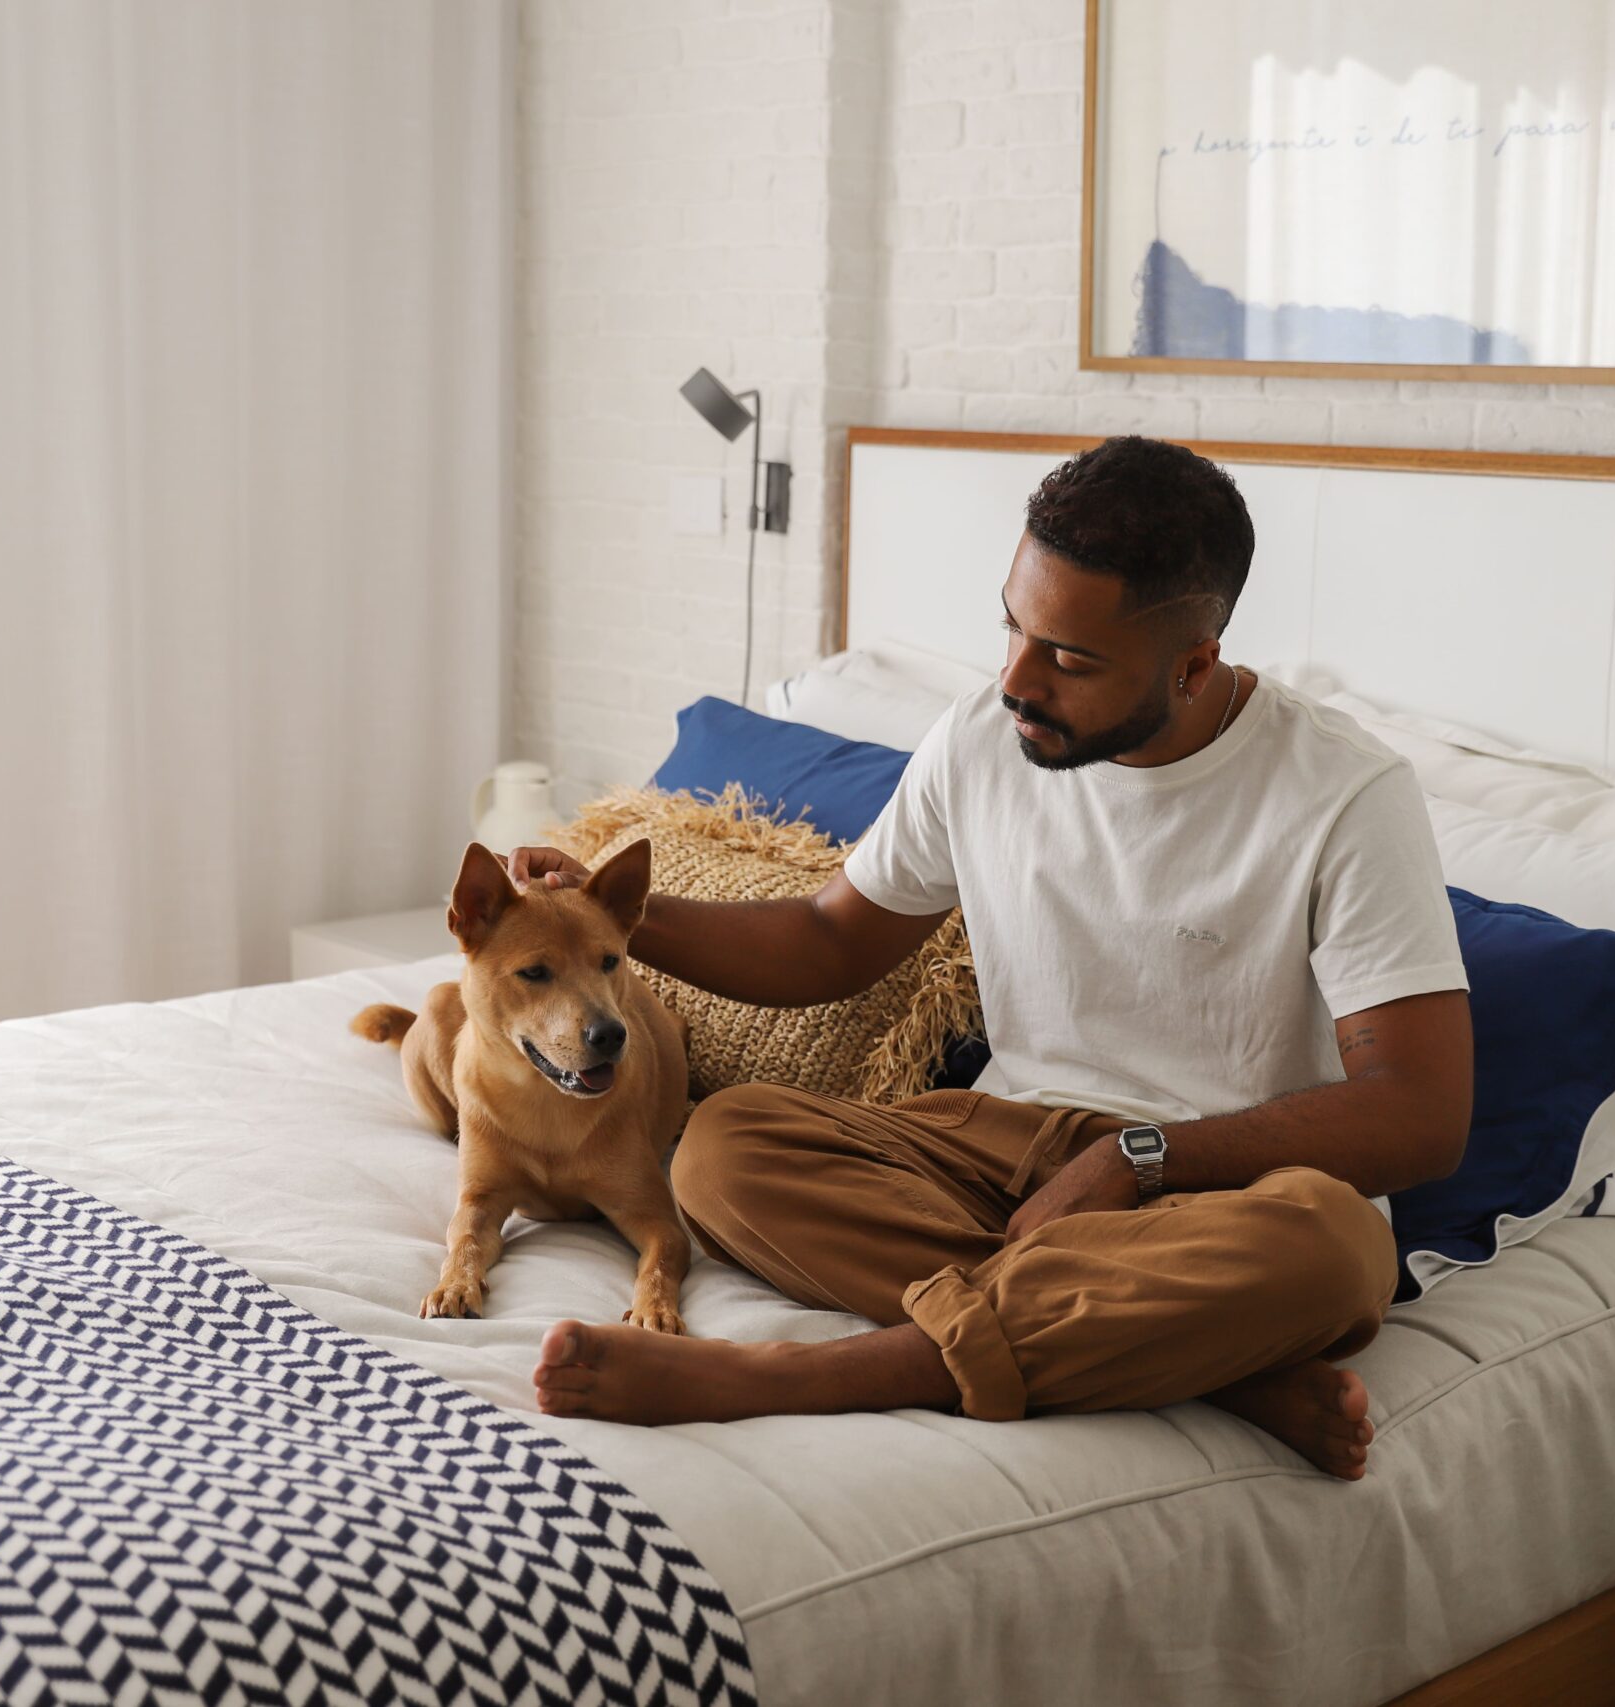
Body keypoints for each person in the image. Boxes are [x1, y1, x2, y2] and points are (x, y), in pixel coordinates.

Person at [509, 435, 1472, 1478]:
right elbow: (828, 941)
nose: (1015, 680)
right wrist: (607, 920)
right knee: (726, 1150)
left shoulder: (1344, 797)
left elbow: (1417, 1115)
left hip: (1225, 1189)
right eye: (1013, 628)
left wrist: (1137, 1158)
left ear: (1192, 665)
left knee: (1332, 1255)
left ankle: (802, 1377)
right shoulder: (980, 739)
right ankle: (1209, 1365)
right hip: (1003, 1149)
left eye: (1068, 658)